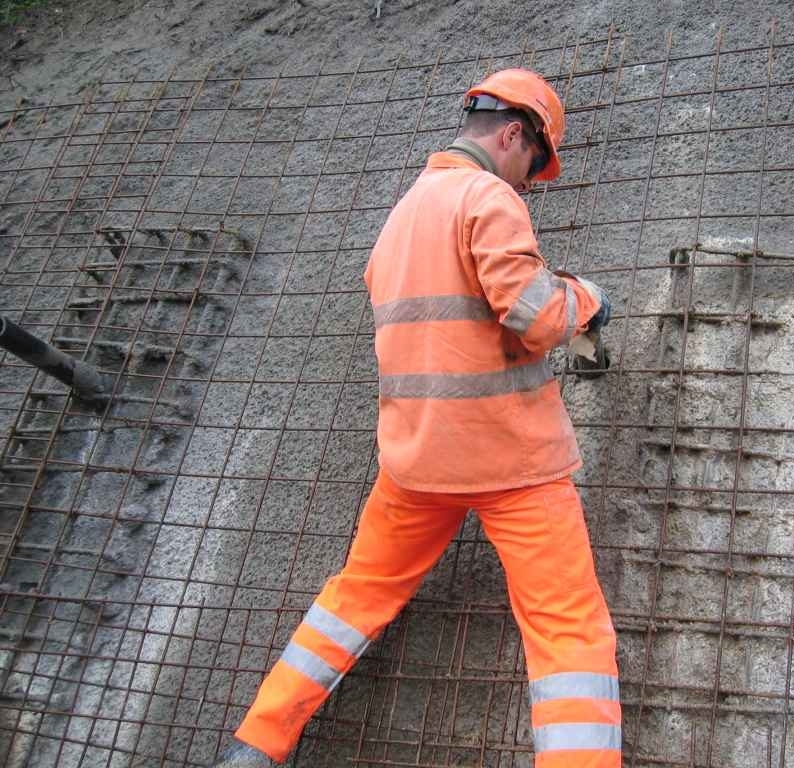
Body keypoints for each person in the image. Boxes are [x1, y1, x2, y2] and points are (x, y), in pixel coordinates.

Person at [213, 68, 620, 768]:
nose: (527, 184)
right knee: (567, 632)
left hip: (416, 464)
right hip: (513, 462)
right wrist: (587, 299)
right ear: (513, 134)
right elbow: (534, 316)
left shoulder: (400, 217)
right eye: (532, 166)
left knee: (354, 597)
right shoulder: (486, 196)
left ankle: (256, 745)